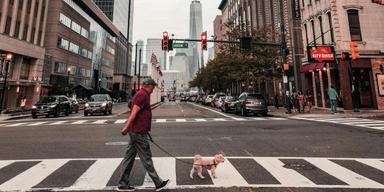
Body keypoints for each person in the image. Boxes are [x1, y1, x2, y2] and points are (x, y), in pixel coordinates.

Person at [119, 78, 170, 192]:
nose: (153, 90)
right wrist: (127, 127)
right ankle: (158, 183)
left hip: (136, 131)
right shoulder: (143, 95)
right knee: (146, 157)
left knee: (129, 158)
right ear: (148, 86)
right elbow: (134, 112)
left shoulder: (141, 94)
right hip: (138, 132)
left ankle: (123, 183)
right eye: (153, 87)